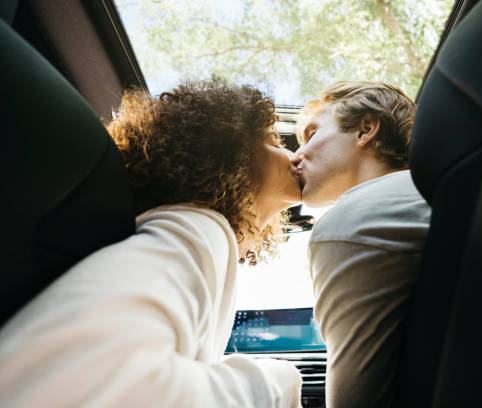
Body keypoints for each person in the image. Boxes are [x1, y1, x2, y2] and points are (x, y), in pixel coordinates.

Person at [0, 77, 303, 407]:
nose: (294, 155)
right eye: (273, 141)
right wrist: (279, 383)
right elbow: (100, 380)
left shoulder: (202, 237)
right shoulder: (198, 227)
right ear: (232, 154)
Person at [292, 81, 431, 407]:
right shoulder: (433, 193)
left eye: (311, 136)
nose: (296, 156)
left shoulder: (352, 221)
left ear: (365, 129)